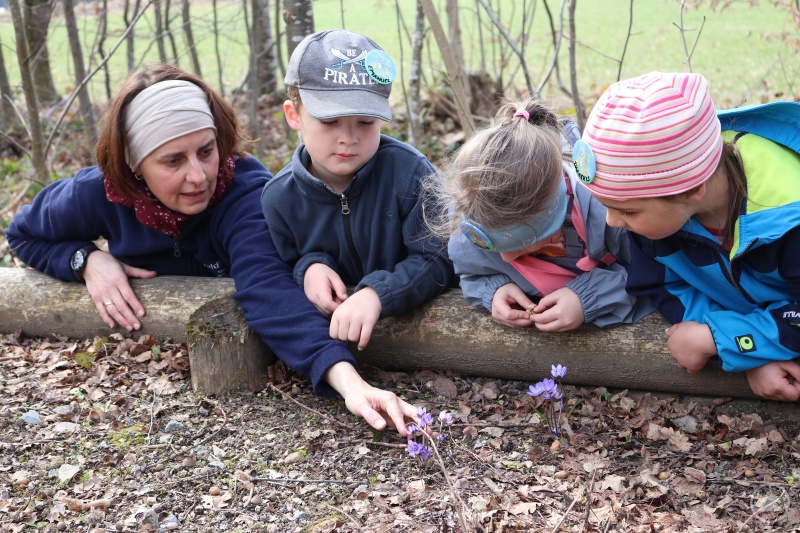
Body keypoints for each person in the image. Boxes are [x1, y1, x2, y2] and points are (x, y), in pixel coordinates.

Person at [5, 64, 418, 433]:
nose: (199, 175)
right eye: (172, 161)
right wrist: (85, 260)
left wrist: (350, 384)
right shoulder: (96, 193)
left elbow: (269, 291)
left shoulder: (246, 193)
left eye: (206, 151)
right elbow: (23, 234)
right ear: (134, 165)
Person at [577, 71, 800, 401]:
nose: (611, 222)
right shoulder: (656, 219)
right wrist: (747, 349)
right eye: (607, 207)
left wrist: (718, 340)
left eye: (627, 211)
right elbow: (662, 284)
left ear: (693, 189)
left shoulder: (788, 219)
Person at [261, 30, 455, 350]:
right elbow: (284, 261)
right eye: (330, 121)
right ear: (293, 116)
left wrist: (379, 293)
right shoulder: (280, 198)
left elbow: (440, 257)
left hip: (419, 344)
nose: (348, 138)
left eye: (365, 122)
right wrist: (309, 269)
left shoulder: (410, 174)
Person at [441, 96, 654, 331]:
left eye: (519, 244)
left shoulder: (609, 216)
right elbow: (471, 272)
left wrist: (589, 298)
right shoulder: (476, 213)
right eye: (494, 247)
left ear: (554, 221)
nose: (506, 259)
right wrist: (494, 290)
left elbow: (655, 272)